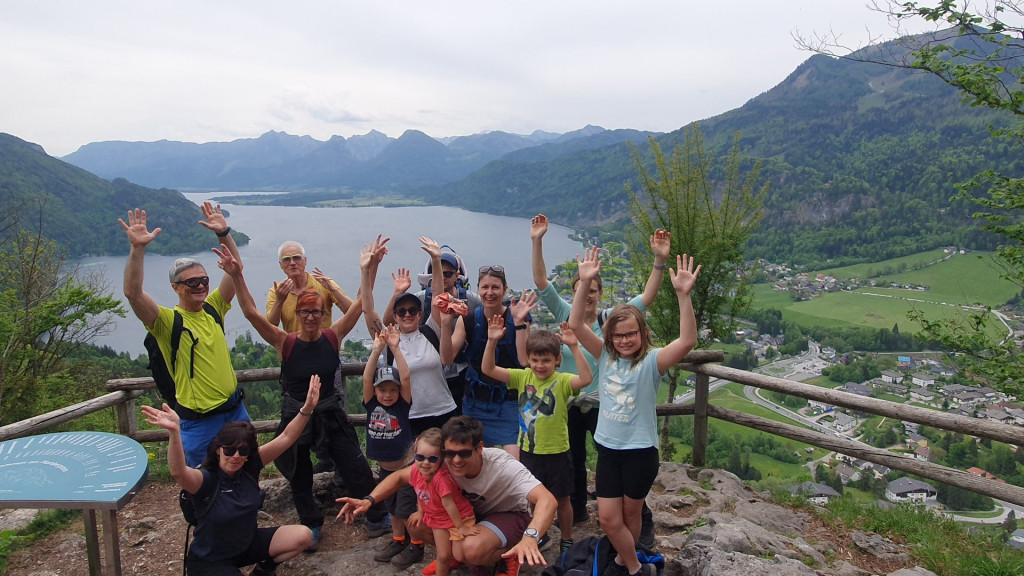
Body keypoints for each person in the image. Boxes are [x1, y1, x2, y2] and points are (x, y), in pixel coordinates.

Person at [218, 239, 389, 549]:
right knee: (300, 474)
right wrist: (237, 275)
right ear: (297, 313)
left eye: (316, 312)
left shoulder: (333, 336)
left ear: (323, 313)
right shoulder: (285, 342)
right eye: (305, 312)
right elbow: (251, 313)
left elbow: (361, 303)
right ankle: (311, 525)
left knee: (355, 464)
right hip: (297, 414)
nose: (311, 317)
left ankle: (374, 515)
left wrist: (369, 267)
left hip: (330, 412)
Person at [530, 213, 670, 527]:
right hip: (570, 402)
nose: (589, 294)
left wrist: (659, 262)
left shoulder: (612, 321)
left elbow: (647, 297)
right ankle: (578, 511)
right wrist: (537, 241)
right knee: (574, 459)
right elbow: (541, 282)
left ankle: (640, 519)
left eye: (593, 289)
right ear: (576, 291)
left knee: (619, 461)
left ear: (600, 292)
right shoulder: (566, 313)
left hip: (603, 405)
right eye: (583, 288)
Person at [568, 248, 700, 576]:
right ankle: (635, 567)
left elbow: (687, 341)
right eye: (618, 335)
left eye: (631, 334)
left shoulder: (652, 361)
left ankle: (624, 564)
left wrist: (683, 295)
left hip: (640, 452)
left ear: (642, 334)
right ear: (610, 337)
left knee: (631, 515)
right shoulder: (605, 356)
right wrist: (583, 283)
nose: (625, 340)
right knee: (608, 518)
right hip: (608, 449)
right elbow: (575, 324)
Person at [139, 374, 322, 576]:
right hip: (210, 559)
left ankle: (264, 570)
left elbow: (286, 437)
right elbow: (178, 472)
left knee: (303, 535)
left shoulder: (250, 466)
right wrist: (175, 432)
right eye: (229, 450)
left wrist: (307, 408)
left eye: (242, 451)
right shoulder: (206, 479)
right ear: (218, 450)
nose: (235, 456)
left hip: (246, 545)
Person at [336, 416, 558, 576]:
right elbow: (400, 477)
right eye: (450, 453)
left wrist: (531, 536)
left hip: (509, 515)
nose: (456, 460)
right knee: (417, 524)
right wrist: (369, 500)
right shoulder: (441, 462)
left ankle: (507, 557)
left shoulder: (502, 465)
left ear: (480, 448)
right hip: (471, 517)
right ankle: (456, 556)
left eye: (464, 453)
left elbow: (547, 500)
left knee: (471, 549)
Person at [120, 203, 249, 467]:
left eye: (204, 280)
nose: (200, 285)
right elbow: (133, 293)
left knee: (245, 469)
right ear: (176, 288)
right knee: (202, 479)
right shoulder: (168, 322)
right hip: (200, 422)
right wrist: (137, 249)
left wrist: (224, 233)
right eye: (192, 282)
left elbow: (236, 269)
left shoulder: (213, 309)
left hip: (235, 410)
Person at [482, 322, 592, 554]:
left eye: (546, 360)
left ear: (557, 360)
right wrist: (492, 341)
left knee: (562, 499)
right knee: (533, 499)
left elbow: (586, 379)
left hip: (557, 451)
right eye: (535, 360)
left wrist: (574, 346)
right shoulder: (522, 377)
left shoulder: (562, 381)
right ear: (528, 359)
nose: (540, 365)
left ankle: (566, 538)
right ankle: (539, 535)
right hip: (529, 451)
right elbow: (488, 369)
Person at [363, 237, 459, 435]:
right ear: (395, 317)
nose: (407, 315)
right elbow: (368, 309)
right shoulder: (389, 341)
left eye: (413, 310)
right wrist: (366, 270)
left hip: (444, 411)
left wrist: (436, 260)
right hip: (409, 416)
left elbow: (438, 295)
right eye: (402, 311)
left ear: (420, 314)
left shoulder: (431, 330)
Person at [438, 265, 536, 456]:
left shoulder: (518, 316)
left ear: (505, 289)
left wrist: (519, 324)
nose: (489, 293)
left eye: (495, 287)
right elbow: (446, 359)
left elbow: (524, 361)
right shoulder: (469, 320)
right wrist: (445, 323)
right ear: (478, 289)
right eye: (485, 287)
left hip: (509, 403)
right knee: (476, 460)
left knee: (515, 461)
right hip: (475, 403)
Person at [382, 237, 481, 414]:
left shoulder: (471, 300)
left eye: (448, 273)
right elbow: (390, 320)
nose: (442, 277)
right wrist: (397, 293)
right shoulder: (421, 300)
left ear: (457, 275)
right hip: (431, 368)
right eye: (438, 273)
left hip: (461, 370)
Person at [361, 326, 422, 568]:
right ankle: (398, 539)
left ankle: (416, 544)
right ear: (375, 391)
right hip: (385, 470)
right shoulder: (371, 404)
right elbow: (367, 378)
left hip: (405, 470)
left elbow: (405, 377)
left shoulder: (402, 406)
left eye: (392, 390)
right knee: (392, 508)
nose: (387, 395)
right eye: (382, 390)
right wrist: (376, 350)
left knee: (406, 509)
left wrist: (395, 348)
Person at [406, 428, 476, 576]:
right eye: (420, 457)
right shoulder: (415, 471)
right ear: (414, 454)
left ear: (441, 458)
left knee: (460, 555)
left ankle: (480, 569)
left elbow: (449, 504)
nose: (425, 463)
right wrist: (420, 512)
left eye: (432, 459)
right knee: (443, 555)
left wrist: (461, 527)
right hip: (438, 519)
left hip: (458, 518)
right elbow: (419, 492)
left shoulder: (441, 479)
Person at [266, 240, 353, 332]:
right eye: (286, 259)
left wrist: (333, 290)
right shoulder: (277, 291)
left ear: (305, 261)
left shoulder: (323, 282)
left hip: (323, 340)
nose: (292, 263)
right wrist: (279, 300)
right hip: (294, 341)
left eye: (296, 258)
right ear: (280, 265)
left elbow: (352, 311)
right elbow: (270, 326)